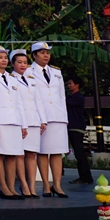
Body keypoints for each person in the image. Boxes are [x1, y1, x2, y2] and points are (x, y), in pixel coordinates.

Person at [0, 46, 27, 199]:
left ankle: (11, 187)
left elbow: (19, 103)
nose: (4, 60)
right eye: (0, 57)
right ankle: (3, 187)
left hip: (14, 120)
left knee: (12, 156)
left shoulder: (13, 78)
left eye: (5, 57)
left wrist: (24, 125)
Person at [29, 41, 70, 197]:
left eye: (47, 52)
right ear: (34, 55)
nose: (46, 55)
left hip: (57, 115)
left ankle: (57, 185)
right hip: (41, 116)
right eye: (42, 52)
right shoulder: (28, 71)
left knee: (57, 152)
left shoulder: (56, 72)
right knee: (43, 152)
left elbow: (62, 96)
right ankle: (46, 184)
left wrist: (64, 117)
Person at [11, 49, 46, 198]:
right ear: (12, 64)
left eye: (25, 62)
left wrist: (43, 120)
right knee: (19, 155)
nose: (23, 65)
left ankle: (32, 186)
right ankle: (23, 185)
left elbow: (38, 100)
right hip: (20, 121)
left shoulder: (32, 79)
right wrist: (22, 124)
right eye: (19, 62)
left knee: (32, 155)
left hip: (33, 120)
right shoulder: (10, 79)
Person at [66, 77, 94, 185]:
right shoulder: (71, 97)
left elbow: (65, 104)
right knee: (79, 153)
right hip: (73, 126)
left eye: (70, 83)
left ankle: (85, 177)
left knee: (79, 153)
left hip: (76, 127)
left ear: (77, 85)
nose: (69, 86)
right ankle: (84, 176)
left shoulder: (78, 97)